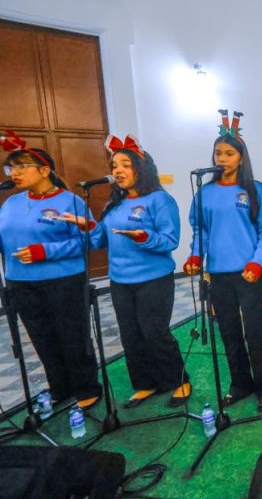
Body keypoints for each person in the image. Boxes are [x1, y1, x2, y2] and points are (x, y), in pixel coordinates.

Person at [62, 135, 190, 408]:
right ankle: (145, 383)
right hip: (120, 280)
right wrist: (88, 227)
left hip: (154, 279)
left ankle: (178, 380)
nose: (117, 171)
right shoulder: (115, 203)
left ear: (141, 169)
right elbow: (101, 240)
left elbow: (170, 240)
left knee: (155, 333)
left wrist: (144, 237)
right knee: (130, 336)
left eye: (125, 165)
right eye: (114, 165)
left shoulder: (159, 200)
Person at [183, 115, 262, 412]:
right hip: (218, 274)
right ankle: (240, 384)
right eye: (218, 153)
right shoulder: (205, 192)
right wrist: (195, 255)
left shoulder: (255, 190)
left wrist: (257, 263)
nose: (222, 159)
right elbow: (201, 231)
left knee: (255, 331)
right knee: (228, 331)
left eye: (229, 153)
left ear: (241, 158)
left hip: (250, 273)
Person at [0, 131, 101, 409]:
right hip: (20, 282)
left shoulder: (70, 201)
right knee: (42, 338)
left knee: (72, 336)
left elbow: (90, 240)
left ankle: (86, 388)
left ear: (44, 170)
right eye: (11, 168)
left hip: (63, 281)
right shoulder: (11, 203)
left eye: (22, 167)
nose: (15, 174)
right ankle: (60, 387)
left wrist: (45, 251)